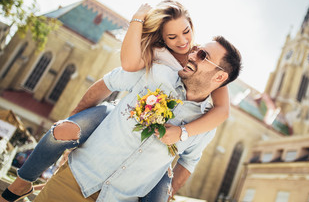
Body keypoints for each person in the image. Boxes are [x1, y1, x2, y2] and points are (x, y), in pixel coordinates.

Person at [0, 0, 229, 202]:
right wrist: (138, 18)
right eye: (172, 37)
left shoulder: (205, 64)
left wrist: (182, 133)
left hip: (152, 159)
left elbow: (222, 111)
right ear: (162, 38)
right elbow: (121, 72)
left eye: (186, 32)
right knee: (62, 130)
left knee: (162, 186)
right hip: (115, 114)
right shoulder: (158, 57)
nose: (183, 42)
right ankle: (23, 181)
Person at [33, 36, 242, 202]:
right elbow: (107, 83)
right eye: (195, 48)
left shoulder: (206, 125)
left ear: (220, 77)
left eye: (203, 54)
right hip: (74, 181)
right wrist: (73, 128)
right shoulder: (155, 72)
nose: (192, 54)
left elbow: (189, 162)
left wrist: (167, 194)